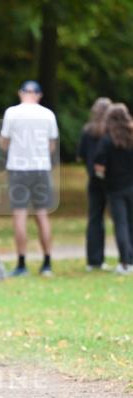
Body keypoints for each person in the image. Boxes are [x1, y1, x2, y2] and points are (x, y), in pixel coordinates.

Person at [0, 80, 58, 277]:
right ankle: (47, 263)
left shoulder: (12, 113)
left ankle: (21, 263)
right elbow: (51, 145)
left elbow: (4, 141)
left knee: (20, 215)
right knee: (42, 214)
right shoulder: (48, 114)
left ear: (20, 93)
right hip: (41, 168)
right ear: (39, 95)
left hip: (18, 168)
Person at [94, 103, 133, 275]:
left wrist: (102, 180)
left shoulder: (107, 140)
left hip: (115, 189)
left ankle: (125, 262)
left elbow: (99, 168)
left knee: (121, 225)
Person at [77, 97, 112, 271]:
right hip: (113, 180)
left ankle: (94, 260)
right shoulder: (113, 132)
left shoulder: (87, 131)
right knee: (121, 218)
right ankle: (126, 257)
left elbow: (80, 155)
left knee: (94, 218)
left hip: (93, 179)